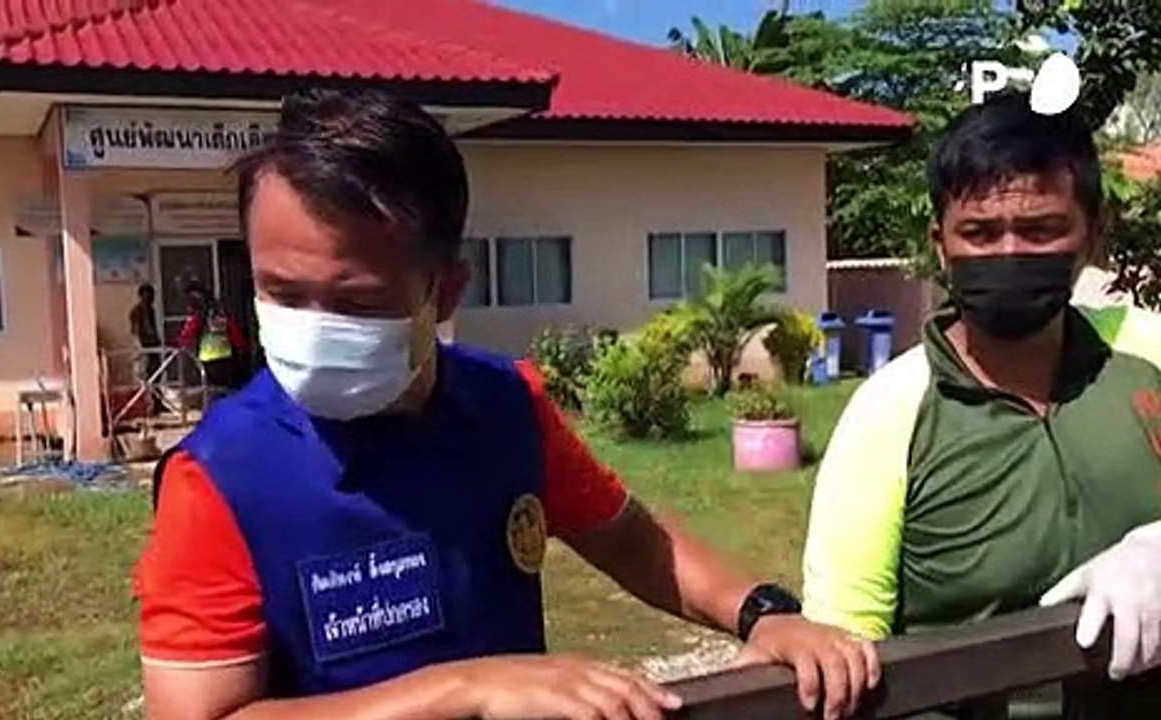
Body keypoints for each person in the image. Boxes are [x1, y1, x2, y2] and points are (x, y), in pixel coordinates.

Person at [133, 89, 881, 720]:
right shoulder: (222, 477)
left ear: (444, 292)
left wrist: (764, 612)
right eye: (282, 294)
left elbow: (636, 542)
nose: (313, 326)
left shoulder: (504, 407)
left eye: (355, 302)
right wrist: (465, 688)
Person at [800, 93, 1161, 717]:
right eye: (980, 232)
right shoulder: (889, 413)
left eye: (1042, 229)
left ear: (1095, 231)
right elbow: (840, 650)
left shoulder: (1146, 349)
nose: (1009, 252)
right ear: (939, 242)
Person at [174, 282, 249, 393]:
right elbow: (233, 331)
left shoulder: (200, 314)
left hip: (209, 359)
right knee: (227, 391)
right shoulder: (220, 313)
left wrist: (178, 344)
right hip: (226, 357)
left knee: (213, 392)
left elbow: (189, 333)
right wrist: (242, 347)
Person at [129, 283, 164, 389]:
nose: (150, 298)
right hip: (144, 344)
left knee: (156, 371)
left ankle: (155, 396)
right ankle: (149, 395)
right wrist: (138, 345)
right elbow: (135, 330)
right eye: (147, 295)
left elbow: (152, 328)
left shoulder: (150, 310)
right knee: (146, 371)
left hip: (152, 343)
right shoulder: (138, 311)